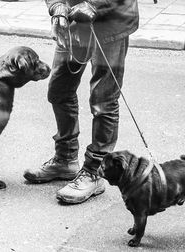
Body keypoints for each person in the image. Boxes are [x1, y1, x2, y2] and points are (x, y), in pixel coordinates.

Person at [23, 0, 139, 204]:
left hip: (110, 22)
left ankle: (95, 171)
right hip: (74, 21)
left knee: (103, 101)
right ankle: (65, 159)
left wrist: (95, 4)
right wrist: (57, 6)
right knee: (59, 91)